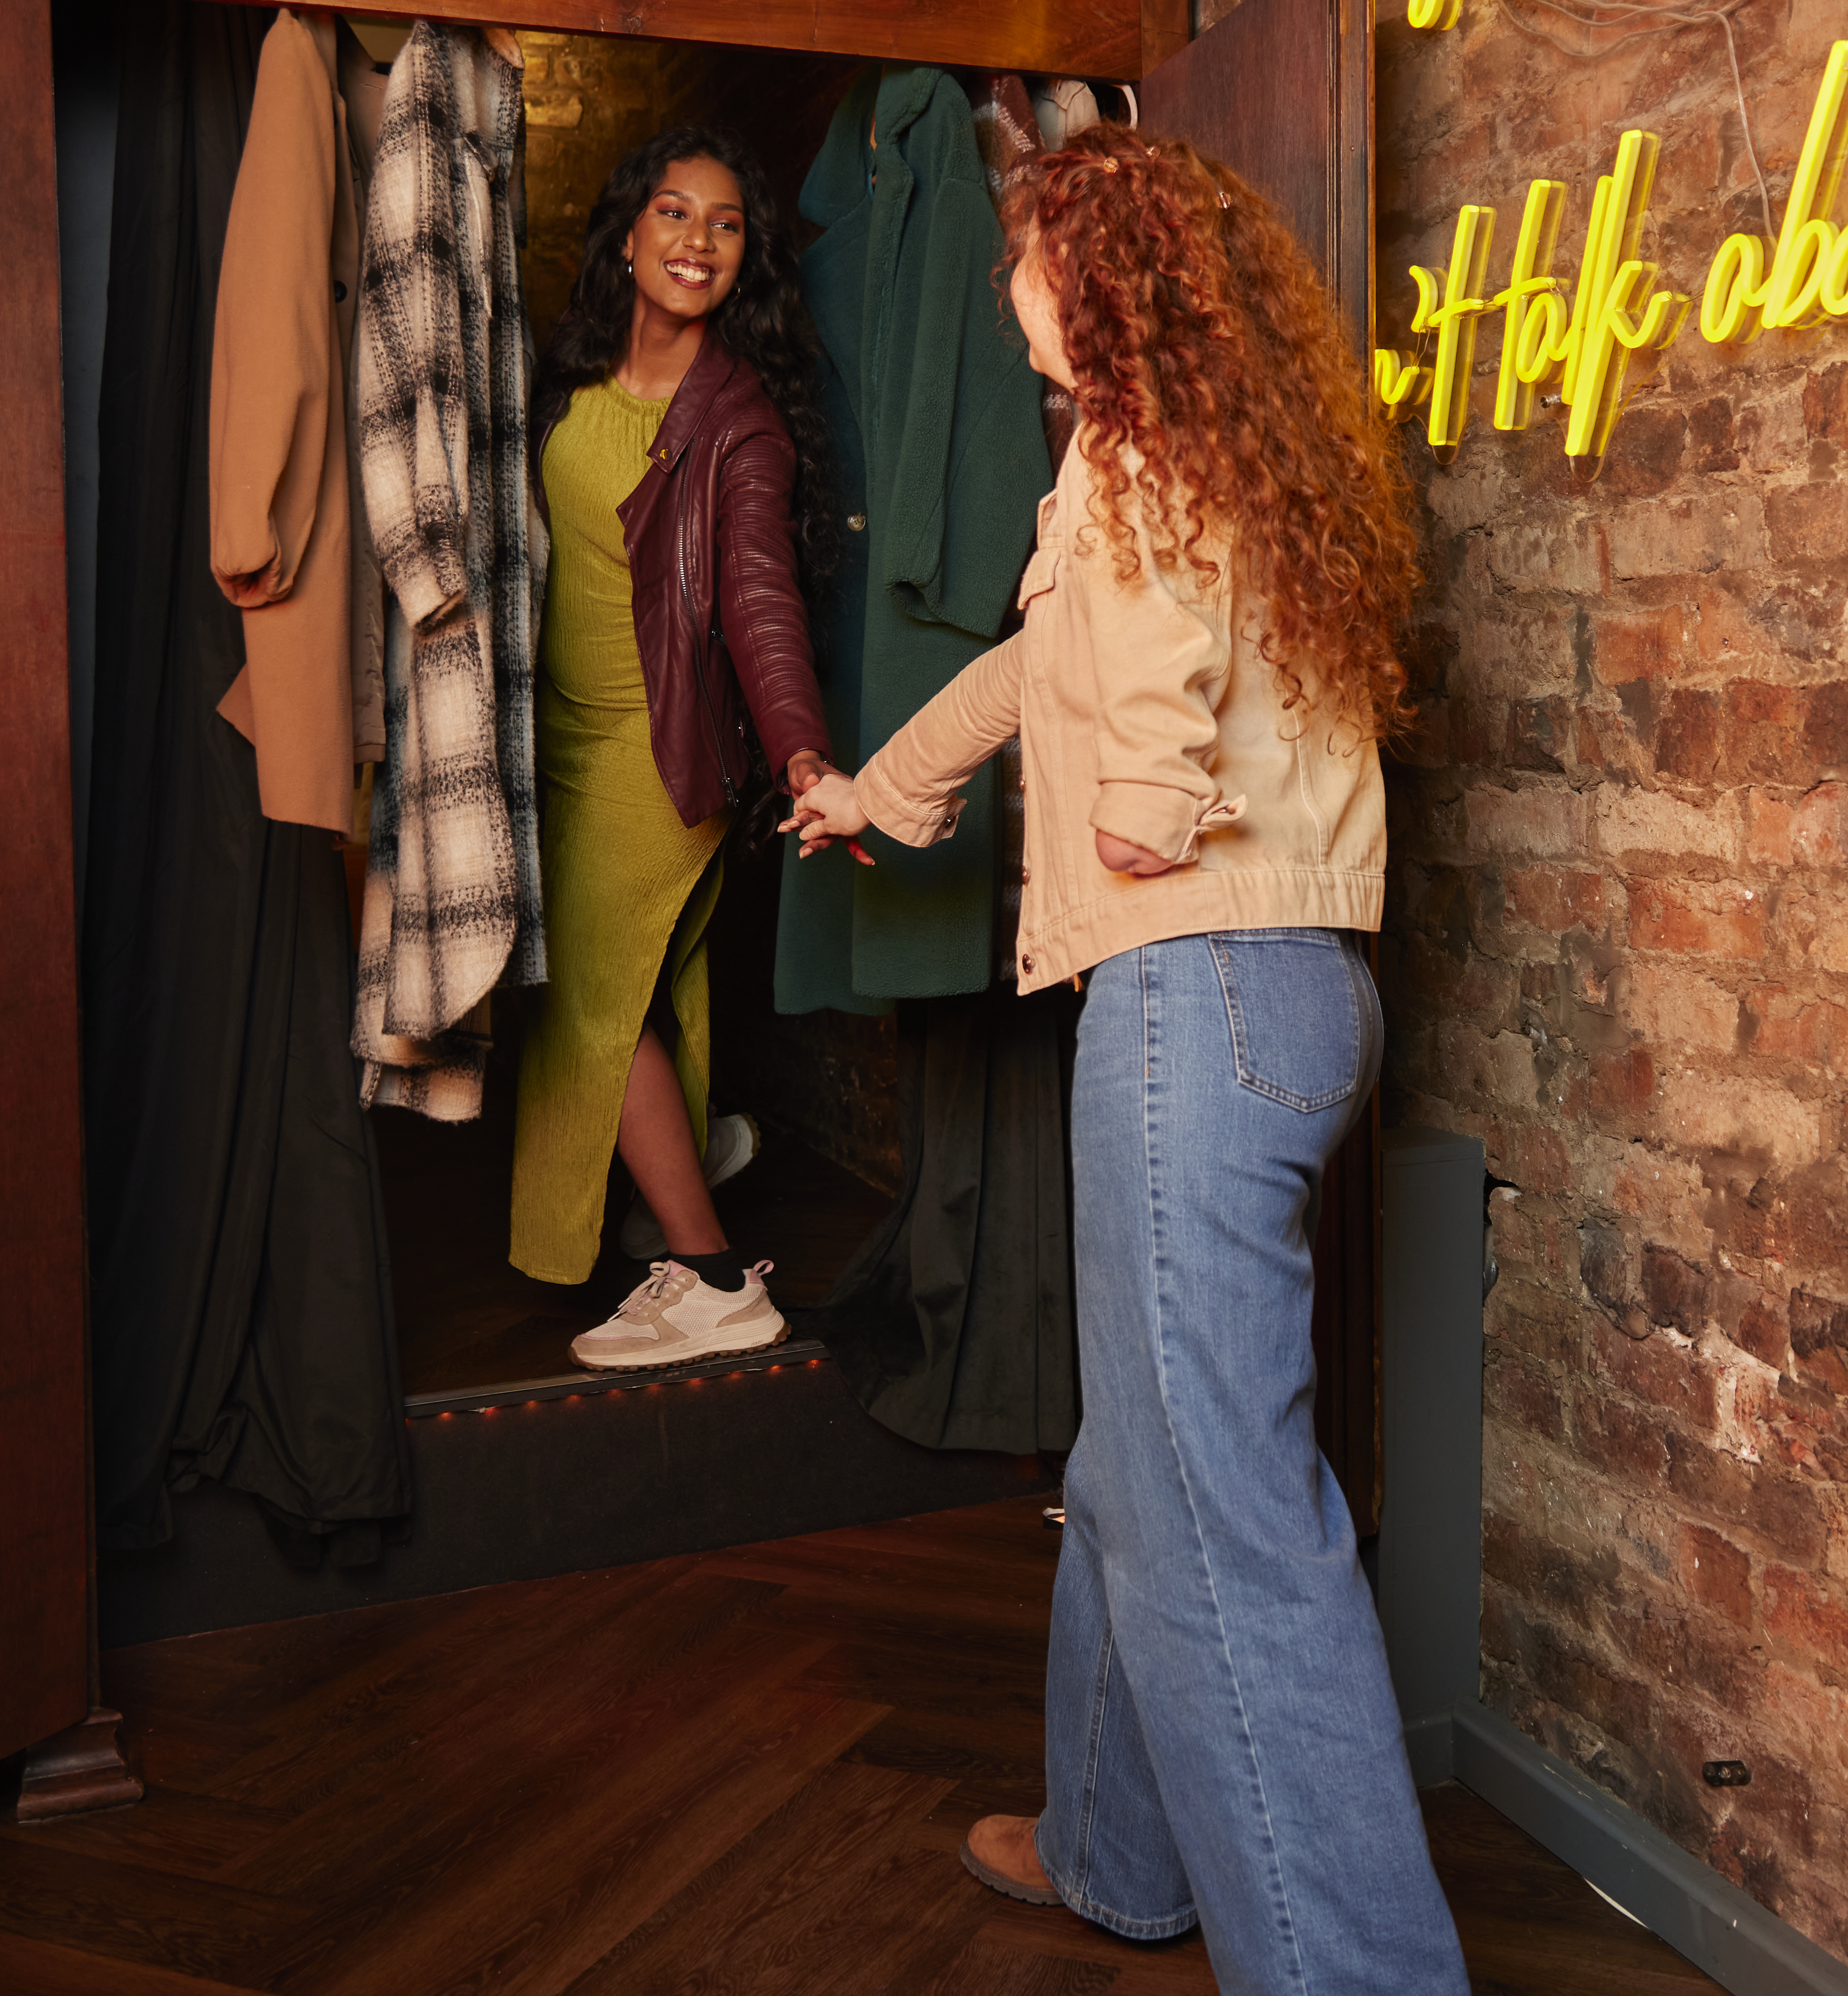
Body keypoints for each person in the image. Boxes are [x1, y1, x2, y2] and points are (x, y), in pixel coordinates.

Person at [785, 127, 1466, 1994]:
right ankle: (1113, 1841)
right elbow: (1040, 668)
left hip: (1196, 987)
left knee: (1220, 1512)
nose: (1008, 293)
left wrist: (1150, 798)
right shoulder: (1215, 445)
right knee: (1141, 1457)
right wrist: (881, 792)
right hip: (1291, 990)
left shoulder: (1139, 446)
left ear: (1091, 279)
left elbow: (1155, 643)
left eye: (1023, 260)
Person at [512, 125, 847, 1371]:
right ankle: (679, 1189)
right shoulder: (572, 375)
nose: (698, 240)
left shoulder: (737, 424)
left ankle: (711, 1281)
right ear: (630, 233)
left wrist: (802, 755)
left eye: (726, 223)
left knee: (590, 997)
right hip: (560, 736)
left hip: (655, 753)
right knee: (638, 993)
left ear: (745, 258)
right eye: (674, 212)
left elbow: (760, 601)